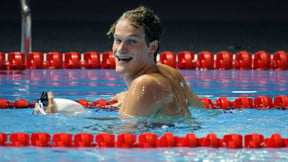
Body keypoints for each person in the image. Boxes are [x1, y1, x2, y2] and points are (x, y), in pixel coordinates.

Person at [34, 6, 205, 117]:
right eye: (117, 40)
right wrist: (132, 99)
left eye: (132, 41)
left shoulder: (144, 84)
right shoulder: (169, 73)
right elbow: (204, 111)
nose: (120, 49)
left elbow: (122, 137)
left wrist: (57, 117)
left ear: (152, 48)